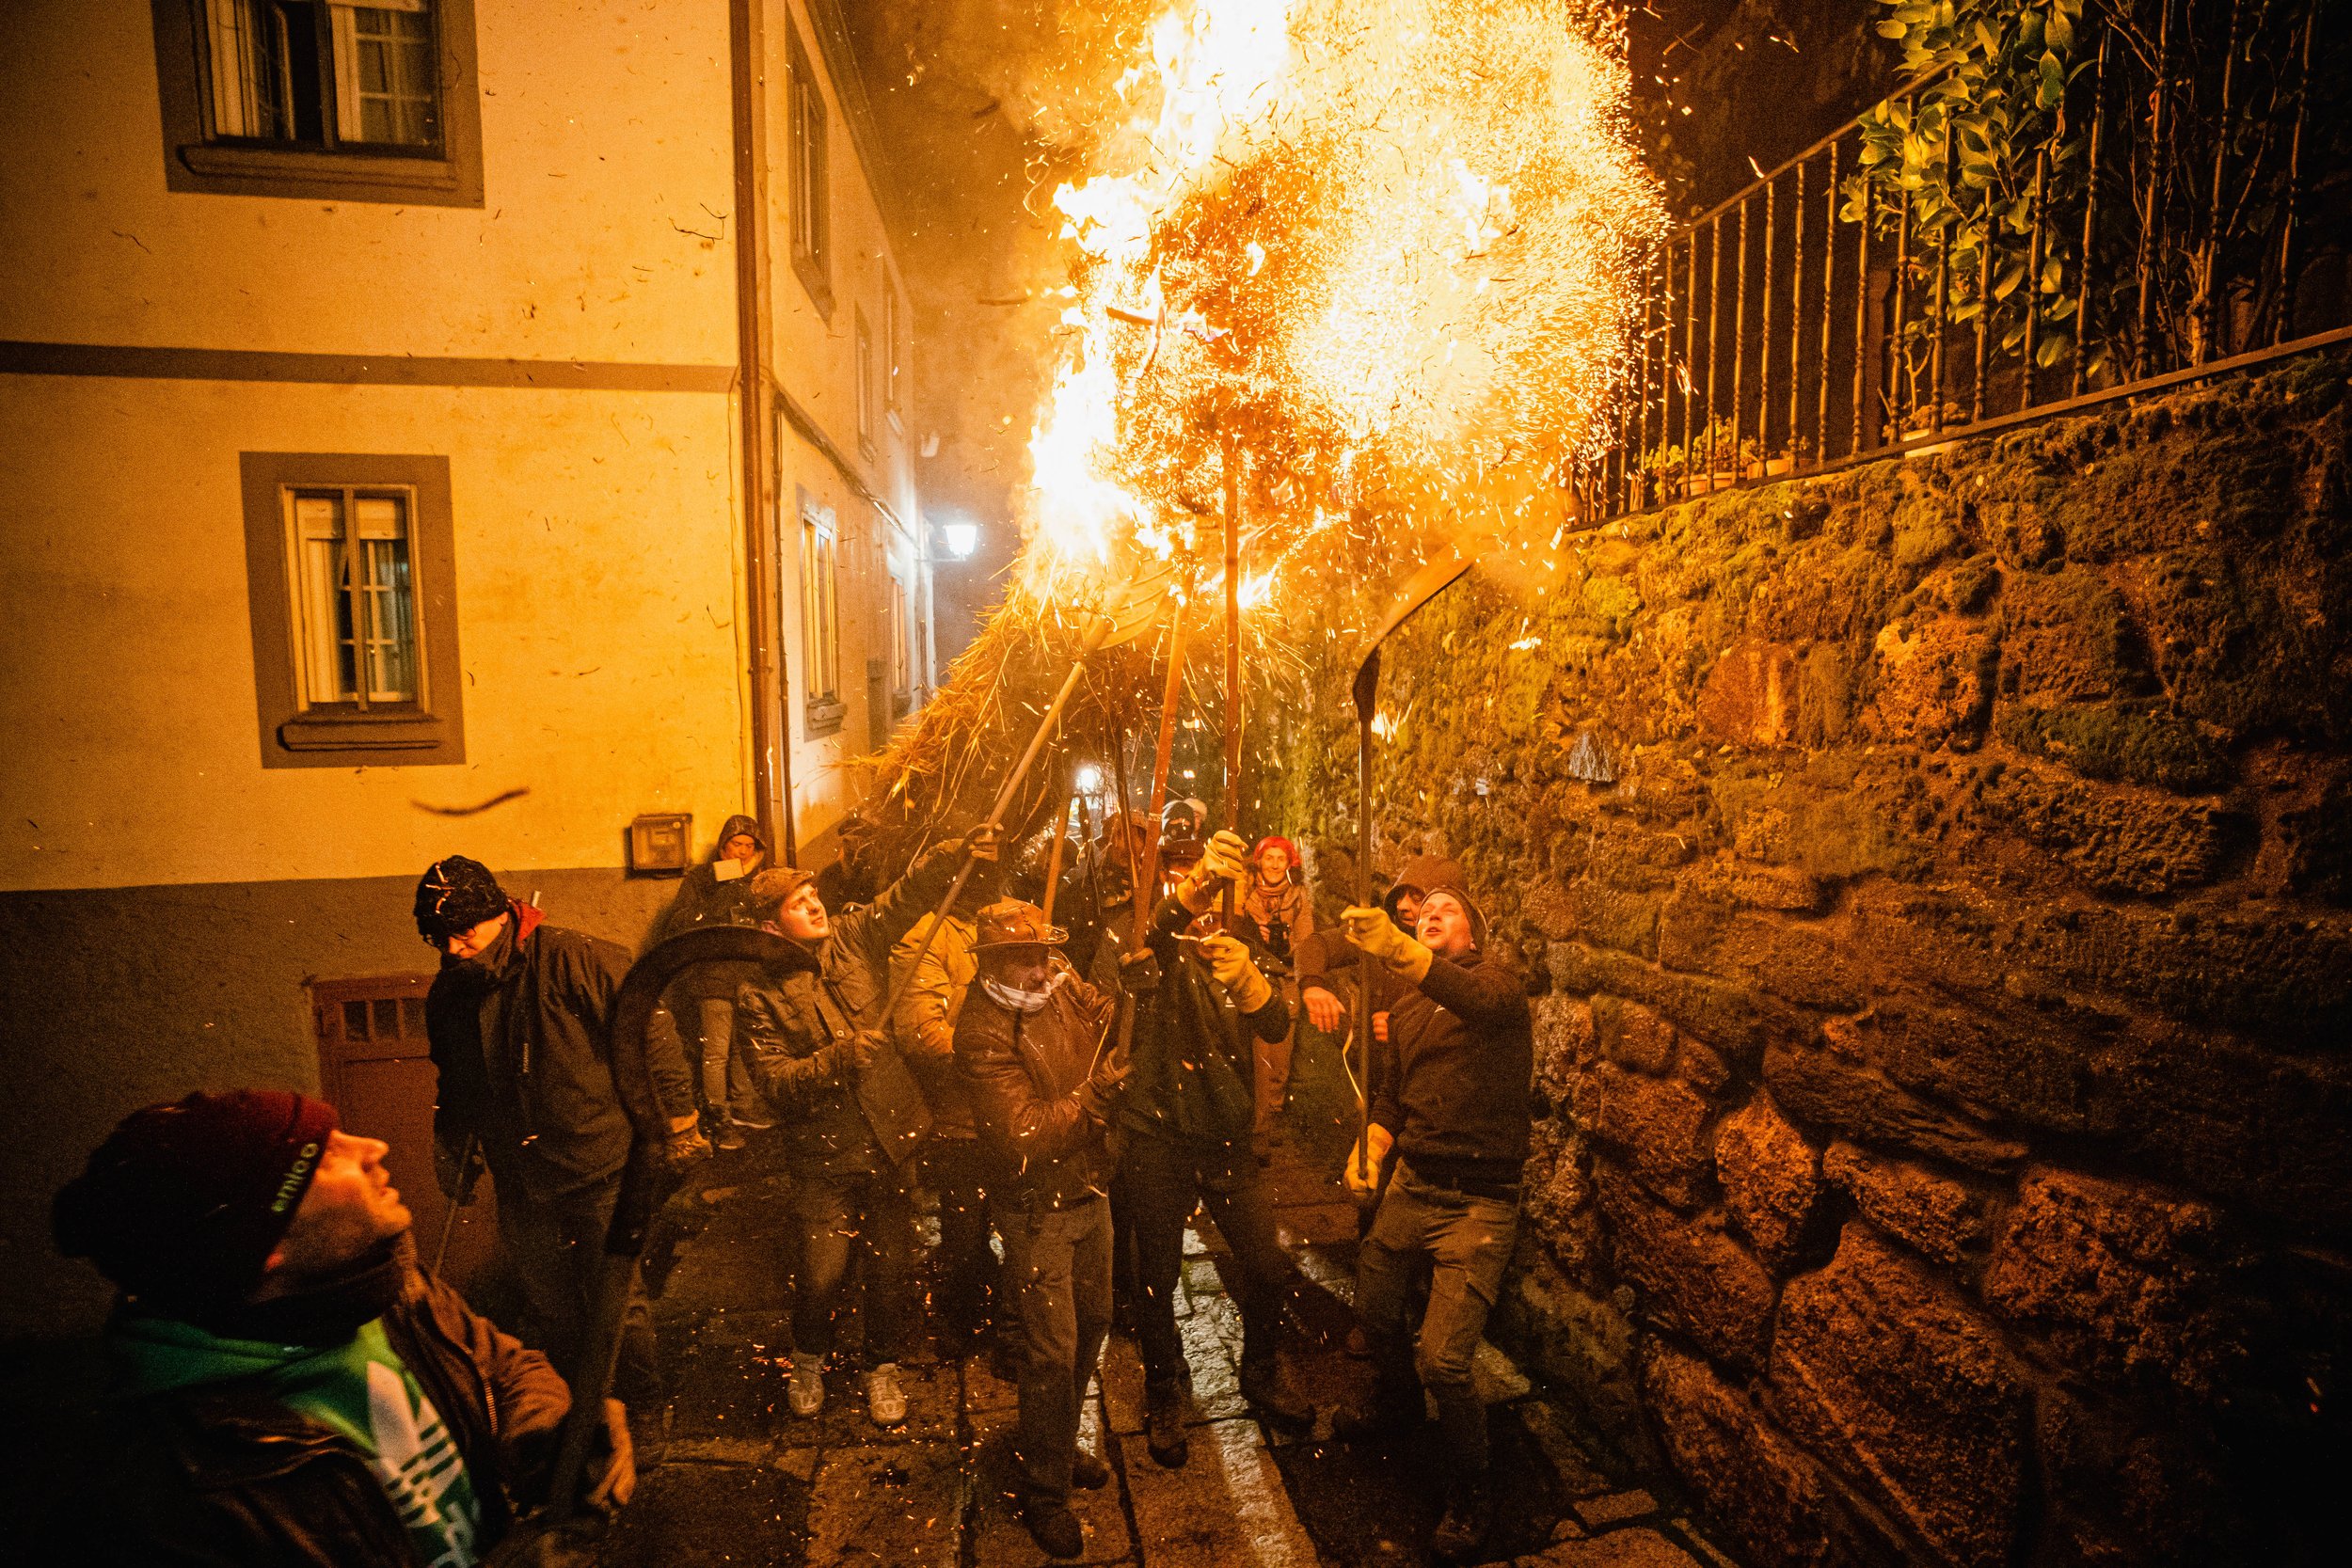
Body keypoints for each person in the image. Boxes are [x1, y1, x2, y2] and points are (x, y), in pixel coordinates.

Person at [54, 1088, 633, 1565]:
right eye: (324, 1156)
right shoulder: (175, 1495)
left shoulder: (384, 1292)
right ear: (263, 1248)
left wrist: (552, 1435)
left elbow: (504, 1363)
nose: (373, 1147)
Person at [416, 856, 705, 1403]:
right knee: (552, 1307)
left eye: (462, 933)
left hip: (599, 1169)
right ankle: (584, 1419)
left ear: (500, 914)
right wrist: (450, 1143)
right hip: (521, 1179)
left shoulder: (576, 959)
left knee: (617, 1304)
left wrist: (680, 1121)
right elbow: (454, 1079)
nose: (452, 949)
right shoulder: (449, 994)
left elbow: (650, 1031)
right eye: (439, 939)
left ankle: (640, 1413)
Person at [735, 826, 995, 1426]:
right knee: (822, 1270)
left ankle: (882, 1368)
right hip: (823, 1152)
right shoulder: (757, 995)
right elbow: (775, 1083)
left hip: (891, 1136)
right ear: (772, 926)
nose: (815, 905)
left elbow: (905, 895)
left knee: (890, 1267)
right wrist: (839, 1058)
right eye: (798, 904)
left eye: (813, 894)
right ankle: (807, 1360)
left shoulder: (852, 938)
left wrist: (955, 851)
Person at [1337, 859, 1534, 1561]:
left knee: (1444, 1361)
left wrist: (1404, 954)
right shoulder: (1412, 1007)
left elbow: (1476, 1002)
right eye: (1423, 912)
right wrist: (1373, 1142)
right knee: (1374, 1307)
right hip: (1414, 1184)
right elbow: (1393, 1093)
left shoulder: (1499, 987)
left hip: (1479, 1201)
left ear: (1475, 929)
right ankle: (1394, 1405)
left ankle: (1472, 1487)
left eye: (1447, 907)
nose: (1430, 913)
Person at [1108, 827, 1319, 1469]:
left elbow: (1278, 1023)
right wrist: (1195, 886)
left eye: (1201, 888)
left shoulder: (1241, 945)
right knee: (1157, 1275)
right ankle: (1164, 1385)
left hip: (1223, 1130)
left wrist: (1254, 983)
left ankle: (1259, 1366)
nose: (1197, 906)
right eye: (1183, 882)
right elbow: (1144, 947)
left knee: (1265, 1263)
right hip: (1158, 1131)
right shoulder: (1154, 939)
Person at [954, 899, 1125, 1560]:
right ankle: (1044, 1491)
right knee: (1051, 1353)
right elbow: (1025, 1132)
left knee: (1095, 1321)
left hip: (1091, 1187)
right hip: (1038, 1209)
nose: (1038, 966)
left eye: (1043, 953)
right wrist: (1097, 1096)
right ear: (993, 962)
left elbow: (1110, 1018)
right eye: (1022, 957)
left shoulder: (1061, 980)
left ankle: (1053, 1441)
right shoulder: (983, 1030)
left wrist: (1134, 985)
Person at [889, 857, 1010, 1362]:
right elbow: (921, 1030)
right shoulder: (926, 938)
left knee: (1026, 1227)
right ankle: (963, 1321)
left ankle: (1013, 1327)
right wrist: (991, 1058)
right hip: (963, 1114)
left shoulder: (1014, 920)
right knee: (965, 1230)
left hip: (1018, 1112)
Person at [657, 815, 775, 1148]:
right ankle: (718, 1119)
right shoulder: (702, 878)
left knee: (741, 1046)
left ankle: (744, 1107)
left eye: (749, 846)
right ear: (723, 847)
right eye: (737, 844)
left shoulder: (755, 880)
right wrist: (723, 888)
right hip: (711, 975)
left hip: (745, 975)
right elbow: (680, 922)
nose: (742, 852)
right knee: (717, 1051)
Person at [1241, 834, 1314, 1160]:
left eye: (1280, 859)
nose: (1273, 865)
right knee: (1255, 1053)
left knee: (1280, 1056)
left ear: (1289, 864)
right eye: (1268, 858)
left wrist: (1287, 947)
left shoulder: (1298, 898)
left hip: (1284, 979)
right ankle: (1256, 1127)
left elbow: (1307, 939)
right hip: (1252, 977)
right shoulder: (1244, 894)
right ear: (1259, 861)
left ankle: (1273, 1115)